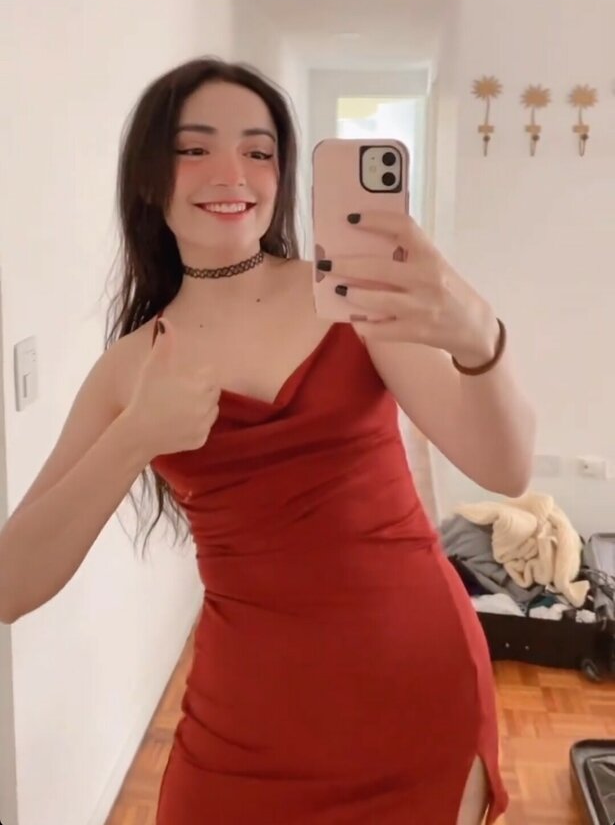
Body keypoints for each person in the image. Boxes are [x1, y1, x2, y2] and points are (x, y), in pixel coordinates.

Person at [0, 57, 536, 824]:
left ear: (281, 176)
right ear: (149, 178)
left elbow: (504, 468)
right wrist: (135, 437)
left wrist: (481, 341)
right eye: (194, 148)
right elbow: (11, 586)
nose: (232, 173)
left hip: (416, 685)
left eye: (258, 151)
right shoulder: (128, 367)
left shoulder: (351, 297)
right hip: (243, 720)